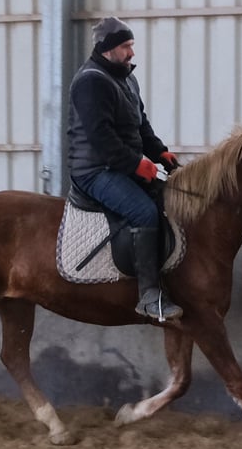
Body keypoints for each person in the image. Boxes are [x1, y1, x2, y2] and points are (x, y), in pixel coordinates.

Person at [67, 16, 183, 321]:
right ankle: (149, 296)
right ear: (107, 49)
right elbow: (101, 138)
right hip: (94, 171)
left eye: (131, 45)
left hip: (120, 164)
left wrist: (160, 153)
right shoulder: (90, 82)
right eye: (125, 46)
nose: (132, 52)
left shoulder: (127, 79)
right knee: (144, 212)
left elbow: (140, 125)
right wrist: (135, 164)